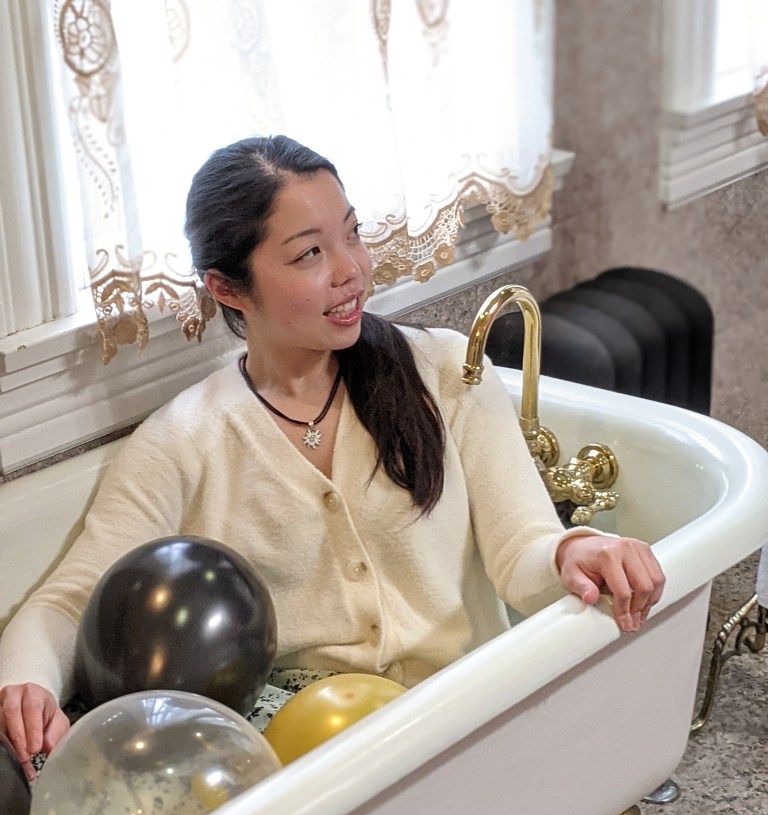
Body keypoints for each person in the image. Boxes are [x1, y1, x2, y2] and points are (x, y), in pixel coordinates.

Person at [0, 135, 665, 781]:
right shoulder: (182, 441)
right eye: (310, 253)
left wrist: (576, 551)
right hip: (316, 771)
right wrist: (29, 686)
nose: (351, 270)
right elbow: (71, 600)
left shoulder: (444, 370)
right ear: (227, 288)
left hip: (468, 721)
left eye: (352, 233)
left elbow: (522, 549)